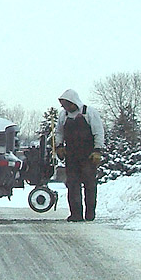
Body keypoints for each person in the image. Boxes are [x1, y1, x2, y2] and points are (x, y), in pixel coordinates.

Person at [55, 89, 105, 222]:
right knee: (72, 184)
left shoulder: (89, 113)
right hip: (71, 155)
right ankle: (76, 214)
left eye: (66, 104)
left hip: (88, 155)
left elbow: (98, 132)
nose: (64, 107)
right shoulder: (63, 115)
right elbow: (59, 132)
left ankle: (90, 214)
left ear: (73, 102)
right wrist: (59, 146)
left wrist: (97, 150)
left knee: (89, 184)